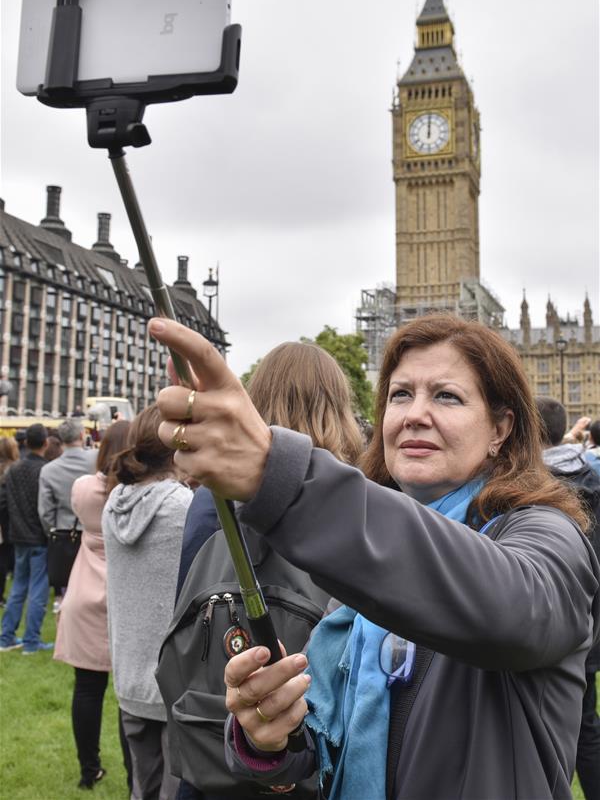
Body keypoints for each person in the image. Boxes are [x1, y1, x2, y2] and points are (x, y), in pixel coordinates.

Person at [150, 314, 600, 800]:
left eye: (446, 395)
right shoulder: (363, 572)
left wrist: (281, 475)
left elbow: (506, 607)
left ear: (500, 427)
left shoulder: (544, 535)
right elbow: (329, 745)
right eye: (400, 394)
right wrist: (272, 736)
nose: (414, 414)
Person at [171, 341, 364, 800]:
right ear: (338, 406)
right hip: (311, 747)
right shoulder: (353, 497)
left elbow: (184, 610)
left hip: (210, 741)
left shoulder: (210, 498)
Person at [102, 404, 192, 800]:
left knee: (142, 787)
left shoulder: (114, 504)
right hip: (175, 680)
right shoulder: (183, 507)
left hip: (129, 671)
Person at [54, 420, 131, 790]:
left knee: (86, 689)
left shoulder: (84, 489)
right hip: (124, 593)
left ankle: (89, 770)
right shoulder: (137, 495)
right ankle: (138, 775)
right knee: (128, 696)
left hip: (84, 591)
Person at [536, 397, 600, 800]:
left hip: (544, 623)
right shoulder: (590, 473)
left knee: (539, 731)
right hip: (590, 622)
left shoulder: (526, 482)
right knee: (584, 724)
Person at [0, 424, 54, 654]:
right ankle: (31, 640)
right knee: (37, 590)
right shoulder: (46, 471)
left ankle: (6, 637)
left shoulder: (13, 470)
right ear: (46, 443)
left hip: (19, 536)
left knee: (18, 588)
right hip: (39, 537)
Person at [38, 417, 97, 606]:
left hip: (63, 532)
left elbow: (45, 511)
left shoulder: (49, 470)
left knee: (66, 587)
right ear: (82, 435)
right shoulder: (95, 459)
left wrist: (53, 531)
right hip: (94, 531)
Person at [0, 436, 19, 607]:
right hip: (7, 520)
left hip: (6, 520)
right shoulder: (13, 470)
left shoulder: (12, 470)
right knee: (4, 558)